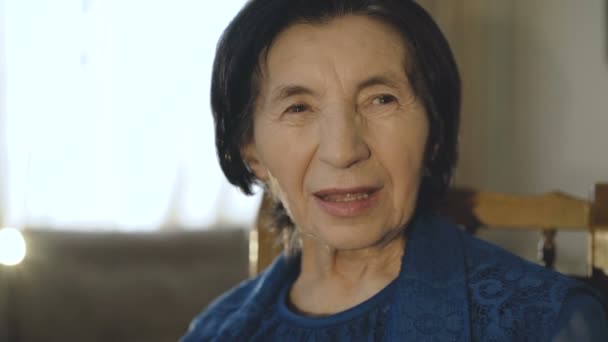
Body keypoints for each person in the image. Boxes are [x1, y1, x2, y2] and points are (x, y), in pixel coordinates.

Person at [182, 0, 608, 340]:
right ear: (252, 152)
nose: (343, 151)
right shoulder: (215, 331)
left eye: (381, 99)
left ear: (435, 131)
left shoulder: (548, 322)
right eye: (298, 107)